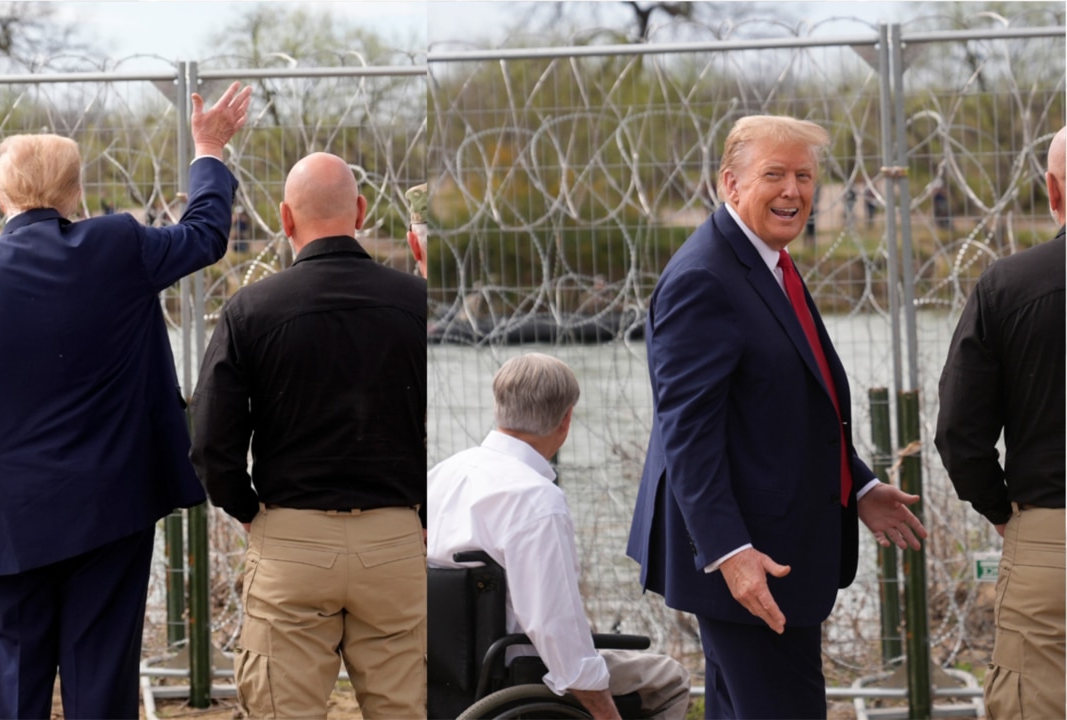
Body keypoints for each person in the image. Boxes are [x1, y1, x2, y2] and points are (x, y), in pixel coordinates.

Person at [0, 82, 252, 719]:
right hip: (111, 511)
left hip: (7, 523)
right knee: (102, 691)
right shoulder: (118, 246)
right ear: (75, 191)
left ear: (2, 193)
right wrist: (207, 147)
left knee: (13, 693)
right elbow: (206, 234)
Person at [626, 115, 927, 719]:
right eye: (774, 175)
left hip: (773, 552)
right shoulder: (705, 278)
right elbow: (689, 434)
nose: (793, 191)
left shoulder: (766, 261)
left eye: (805, 176)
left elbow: (785, 410)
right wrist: (731, 554)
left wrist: (858, 484)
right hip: (753, 563)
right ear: (730, 184)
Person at [190, 151, 427, 719]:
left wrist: (250, 511)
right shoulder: (417, 305)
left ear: (285, 219)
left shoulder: (250, 309)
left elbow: (210, 443)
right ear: (362, 212)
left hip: (290, 536)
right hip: (396, 536)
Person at [428, 353, 691, 720]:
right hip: (518, 672)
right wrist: (604, 712)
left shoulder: (443, 474)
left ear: (498, 406)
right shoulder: (536, 500)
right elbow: (553, 628)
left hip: (445, 673)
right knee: (670, 679)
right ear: (565, 420)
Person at [934, 125, 1065, 720]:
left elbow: (960, 431)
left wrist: (1001, 511)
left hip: (1050, 533)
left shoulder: (1009, 287)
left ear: (1052, 189)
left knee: (1033, 699)